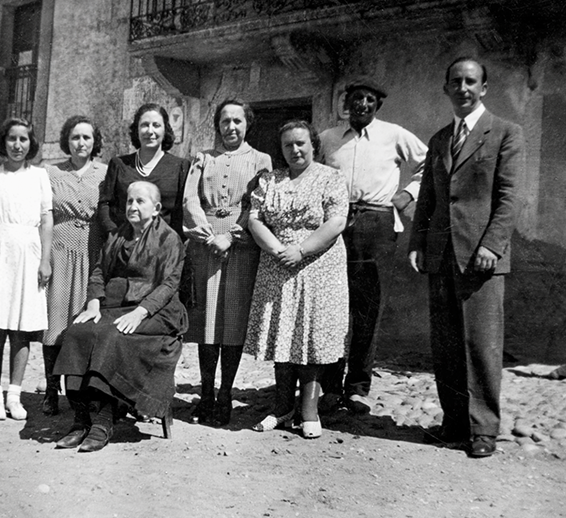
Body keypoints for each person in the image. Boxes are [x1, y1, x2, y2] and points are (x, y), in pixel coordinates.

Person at [408, 57, 524, 458]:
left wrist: (492, 245)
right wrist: (417, 243)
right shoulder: (440, 138)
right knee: (445, 345)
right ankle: (454, 422)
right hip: (441, 254)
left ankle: (483, 430)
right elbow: (428, 197)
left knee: (481, 344)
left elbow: (509, 197)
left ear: (484, 88)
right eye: (455, 81)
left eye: (471, 81)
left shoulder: (506, 133)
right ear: (446, 88)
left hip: (481, 257)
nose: (463, 88)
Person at [52, 181, 188, 453]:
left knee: (113, 336)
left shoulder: (169, 238)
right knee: (77, 332)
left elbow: (169, 284)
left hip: (157, 309)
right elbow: (99, 271)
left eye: (140, 201)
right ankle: (81, 418)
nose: (132, 206)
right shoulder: (117, 235)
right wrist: (93, 304)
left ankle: (103, 421)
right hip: (115, 305)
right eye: (129, 201)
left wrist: (140, 312)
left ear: (156, 208)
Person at [319, 78, 428, 413]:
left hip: (378, 225)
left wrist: (407, 194)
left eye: (369, 99)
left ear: (377, 105)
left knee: (368, 307)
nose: (362, 104)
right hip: (335, 223)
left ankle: (357, 387)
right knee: (332, 307)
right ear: (346, 102)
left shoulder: (394, 135)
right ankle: (329, 387)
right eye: (356, 98)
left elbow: (430, 164)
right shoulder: (328, 138)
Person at [244, 120, 349, 439]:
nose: (295, 149)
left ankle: (308, 410)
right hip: (278, 264)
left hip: (318, 264)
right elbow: (255, 219)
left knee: (310, 335)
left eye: (301, 143)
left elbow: (336, 221)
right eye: (288, 145)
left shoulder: (331, 178)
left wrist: (301, 250)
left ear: (313, 145)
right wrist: (278, 250)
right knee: (283, 334)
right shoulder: (269, 180)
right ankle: (281, 407)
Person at [182, 99, 272, 426]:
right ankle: (206, 393)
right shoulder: (203, 158)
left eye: (237, 121)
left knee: (232, 320)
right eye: (225, 121)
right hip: (206, 244)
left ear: (247, 124)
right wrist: (208, 234)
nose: (231, 127)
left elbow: (258, 204)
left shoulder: (261, 160)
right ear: (217, 125)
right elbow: (190, 198)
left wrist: (231, 236)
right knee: (207, 321)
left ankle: (225, 394)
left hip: (241, 244)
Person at [0, 118, 53, 421]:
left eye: (23, 139)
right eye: (12, 139)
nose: (18, 145)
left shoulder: (40, 175)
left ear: (31, 143)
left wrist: (45, 260)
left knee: (21, 328)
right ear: (3, 141)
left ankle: (14, 396)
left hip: (29, 251)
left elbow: (46, 219)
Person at [41, 116, 108, 416]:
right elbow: (44, 215)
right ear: (66, 141)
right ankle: (51, 390)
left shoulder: (105, 173)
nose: (81, 143)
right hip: (60, 250)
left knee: (86, 321)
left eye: (87, 137)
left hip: (92, 250)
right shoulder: (51, 173)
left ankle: (84, 391)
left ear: (95, 141)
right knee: (54, 322)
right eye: (75, 137)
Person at [96, 103, 189, 237]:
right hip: (124, 243)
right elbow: (105, 204)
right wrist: (114, 236)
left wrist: (171, 242)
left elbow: (182, 212)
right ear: (137, 130)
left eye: (156, 125)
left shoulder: (180, 167)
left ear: (165, 130)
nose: (150, 131)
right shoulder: (119, 165)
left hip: (163, 244)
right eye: (145, 125)